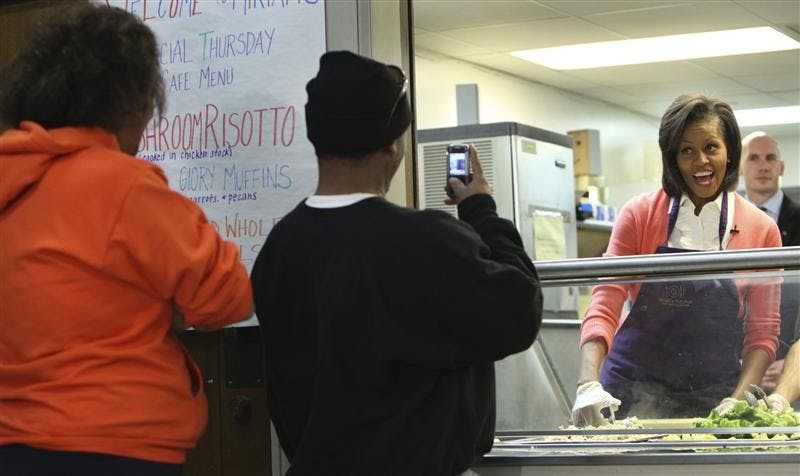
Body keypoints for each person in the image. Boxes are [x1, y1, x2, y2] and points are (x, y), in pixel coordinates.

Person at [250, 51, 543, 475]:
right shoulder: (423, 240)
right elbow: (519, 311)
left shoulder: (280, 248)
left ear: (318, 139)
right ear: (392, 142)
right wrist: (480, 208)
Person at [0, 4, 253, 475]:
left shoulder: (11, 182)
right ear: (131, 101)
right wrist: (163, 303)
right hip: (115, 445)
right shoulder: (122, 185)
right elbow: (228, 297)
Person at [571, 93, 782, 426]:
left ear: (730, 152)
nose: (700, 161)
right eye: (687, 150)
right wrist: (587, 383)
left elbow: (763, 334)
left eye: (711, 147)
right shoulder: (639, 214)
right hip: (629, 389)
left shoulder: (762, 229)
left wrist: (737, 401)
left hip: (715, 395)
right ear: (672, 158)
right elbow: (605, 302)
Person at [740, 131, 800, 392]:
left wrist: (792, 364)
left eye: (770, 158)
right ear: (740, 167)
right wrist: (740, 364)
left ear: (781, 166)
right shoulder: (723, 223)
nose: (763, 165)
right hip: (734, 370)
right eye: (753, 158)